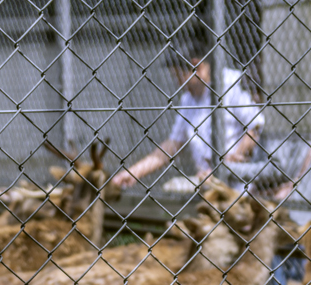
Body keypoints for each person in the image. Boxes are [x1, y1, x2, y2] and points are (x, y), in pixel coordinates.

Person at [111, 44, 265, 189]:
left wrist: (229, 162)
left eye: (178, 76)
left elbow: (254, 128)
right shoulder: (188, 99)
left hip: (240, 183)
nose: (178, 83)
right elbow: (173, 144)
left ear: (196, 66)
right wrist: (134, 172)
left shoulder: (231, 82)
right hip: (207, 183)